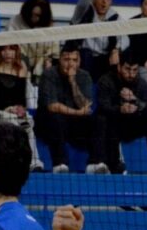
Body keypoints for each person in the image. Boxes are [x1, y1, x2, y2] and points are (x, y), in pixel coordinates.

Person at [95, 51, 147, 175]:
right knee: (103, 118)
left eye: (135, 70)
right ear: (119, 66)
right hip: (113, 124)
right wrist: (120, 109)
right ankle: (114, 165)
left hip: (132, 125)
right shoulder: (106, 80)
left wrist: (135, 101)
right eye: (127, 69)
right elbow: (102, 106)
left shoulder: (141, 83)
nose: (131, 74)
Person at [35, 44, 106, 174]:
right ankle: (60, 164)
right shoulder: (49, 74)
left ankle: (95, 164)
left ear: (79, 62)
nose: (70, 64)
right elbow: (52, 106)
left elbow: (85, 104)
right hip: (47, 124)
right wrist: (78, 112)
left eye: (74, 60)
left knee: (98, 120)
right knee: (56, 119)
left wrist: (73, 81)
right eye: (67, 60)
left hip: (73, 123)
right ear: (60, 60)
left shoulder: (84, 76)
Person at [0, 42, 44, 171]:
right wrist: (7, 109)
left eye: (11, 49)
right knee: (11, 122)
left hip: (14, 114)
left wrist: (20, 109)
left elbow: (21, 100)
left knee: (28, 123)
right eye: (4, 49)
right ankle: (13, 161)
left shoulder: (21, 70)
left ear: (16, 52)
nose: (8, 53)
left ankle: (34, 162)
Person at [70, 0, 128, 80]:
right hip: (84, 58)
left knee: (117, 61)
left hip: (104, 59)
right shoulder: (84, 12)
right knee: (84, 55)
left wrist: (116, 50)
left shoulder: (115, 17)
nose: (104, 1)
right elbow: (83, 3)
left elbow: (125, 39)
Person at [8, 0, 59, 84]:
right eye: (31, 14)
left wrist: (47, 59)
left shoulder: (50, 26)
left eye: (37, 15)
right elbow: (10, 45)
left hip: (41, 65)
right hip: (19, 62)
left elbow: (54, 49)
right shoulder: (15, 21)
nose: (33, 18)